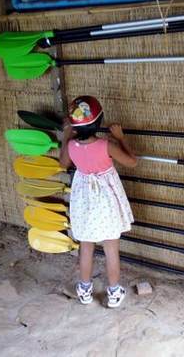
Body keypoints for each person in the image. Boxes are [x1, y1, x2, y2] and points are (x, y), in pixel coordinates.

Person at [59, 96, 137, 307]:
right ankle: (113, 294)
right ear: (99, 122)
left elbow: (63, 163)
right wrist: (121, 138)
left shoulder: (72, 145)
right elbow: (132, 162)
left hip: (84, 202)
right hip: (106, 202)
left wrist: (66, 135)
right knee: (111, 248)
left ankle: (84, 291)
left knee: (86, 247)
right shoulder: (106, 145)